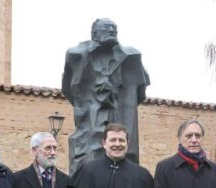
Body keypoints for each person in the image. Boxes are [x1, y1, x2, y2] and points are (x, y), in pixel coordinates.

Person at [62, 18, 150, 173]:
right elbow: (70, 90)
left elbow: (139, 92)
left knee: (123, 161)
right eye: (106, 28)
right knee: (89, 160)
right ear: (94, 33)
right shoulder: (77, 54)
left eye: (114, 28)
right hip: (90, 120)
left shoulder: (131, 57)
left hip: (119, 113)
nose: (111, 31)